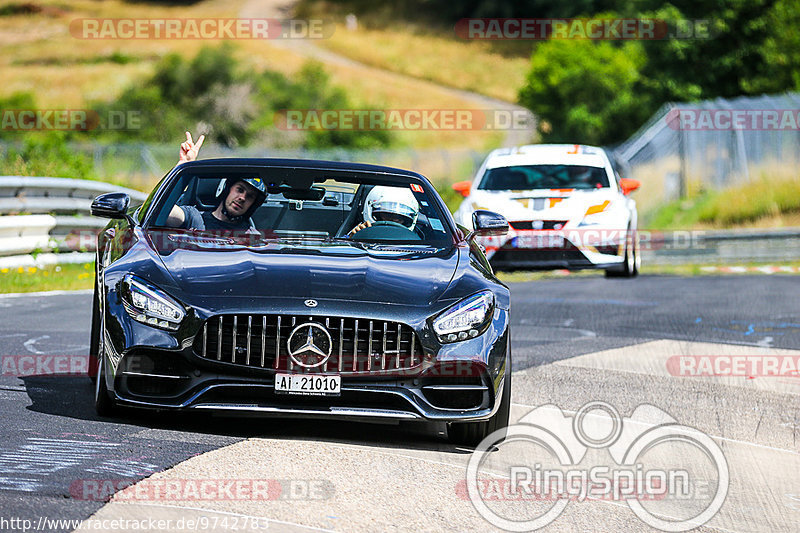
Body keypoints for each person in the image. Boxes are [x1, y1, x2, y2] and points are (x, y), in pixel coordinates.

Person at [165, 132, 267, 231]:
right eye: (240, 189)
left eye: (250, 196)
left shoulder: (253, 237)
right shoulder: (195, 218)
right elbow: (162, 211)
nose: (242, 198)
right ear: (227, 188)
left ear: (253, 205)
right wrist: (182, 166)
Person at [347, 185, 420, 237]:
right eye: (387, 214)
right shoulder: (359, 231)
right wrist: (352, 238)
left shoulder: (416, 243)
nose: (393, 219)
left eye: (399, 217)